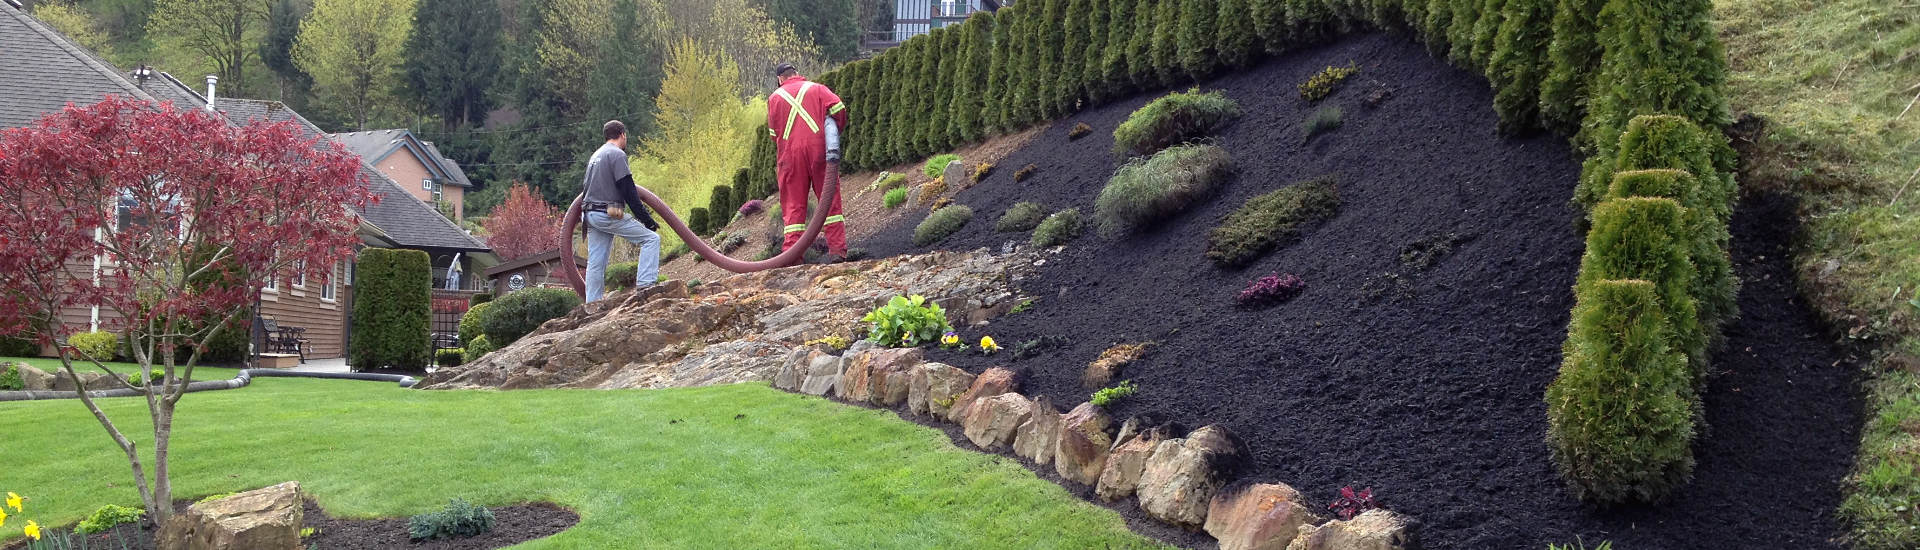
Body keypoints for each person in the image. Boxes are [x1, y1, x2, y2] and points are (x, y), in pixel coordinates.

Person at [766, 62, 850, 261]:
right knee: (829, 200)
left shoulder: (774, 98)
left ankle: (792, 257)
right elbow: (839, 108)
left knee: (793, 206)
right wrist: (832, 131)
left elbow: (773, 134)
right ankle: (838, 251)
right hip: (820, 150)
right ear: (797, 73)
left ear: (780, 79)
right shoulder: (817, 88)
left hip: (790, 157)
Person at [580, 120, 661, 302]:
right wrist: (647, 220)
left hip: (589, 214)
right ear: (622, 134)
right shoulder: (617, 155)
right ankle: (646, 286)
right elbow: (629, 191)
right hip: (607, 213)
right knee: (651, 239)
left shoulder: (596, 155)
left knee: (596, 262)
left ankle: (592, 304)